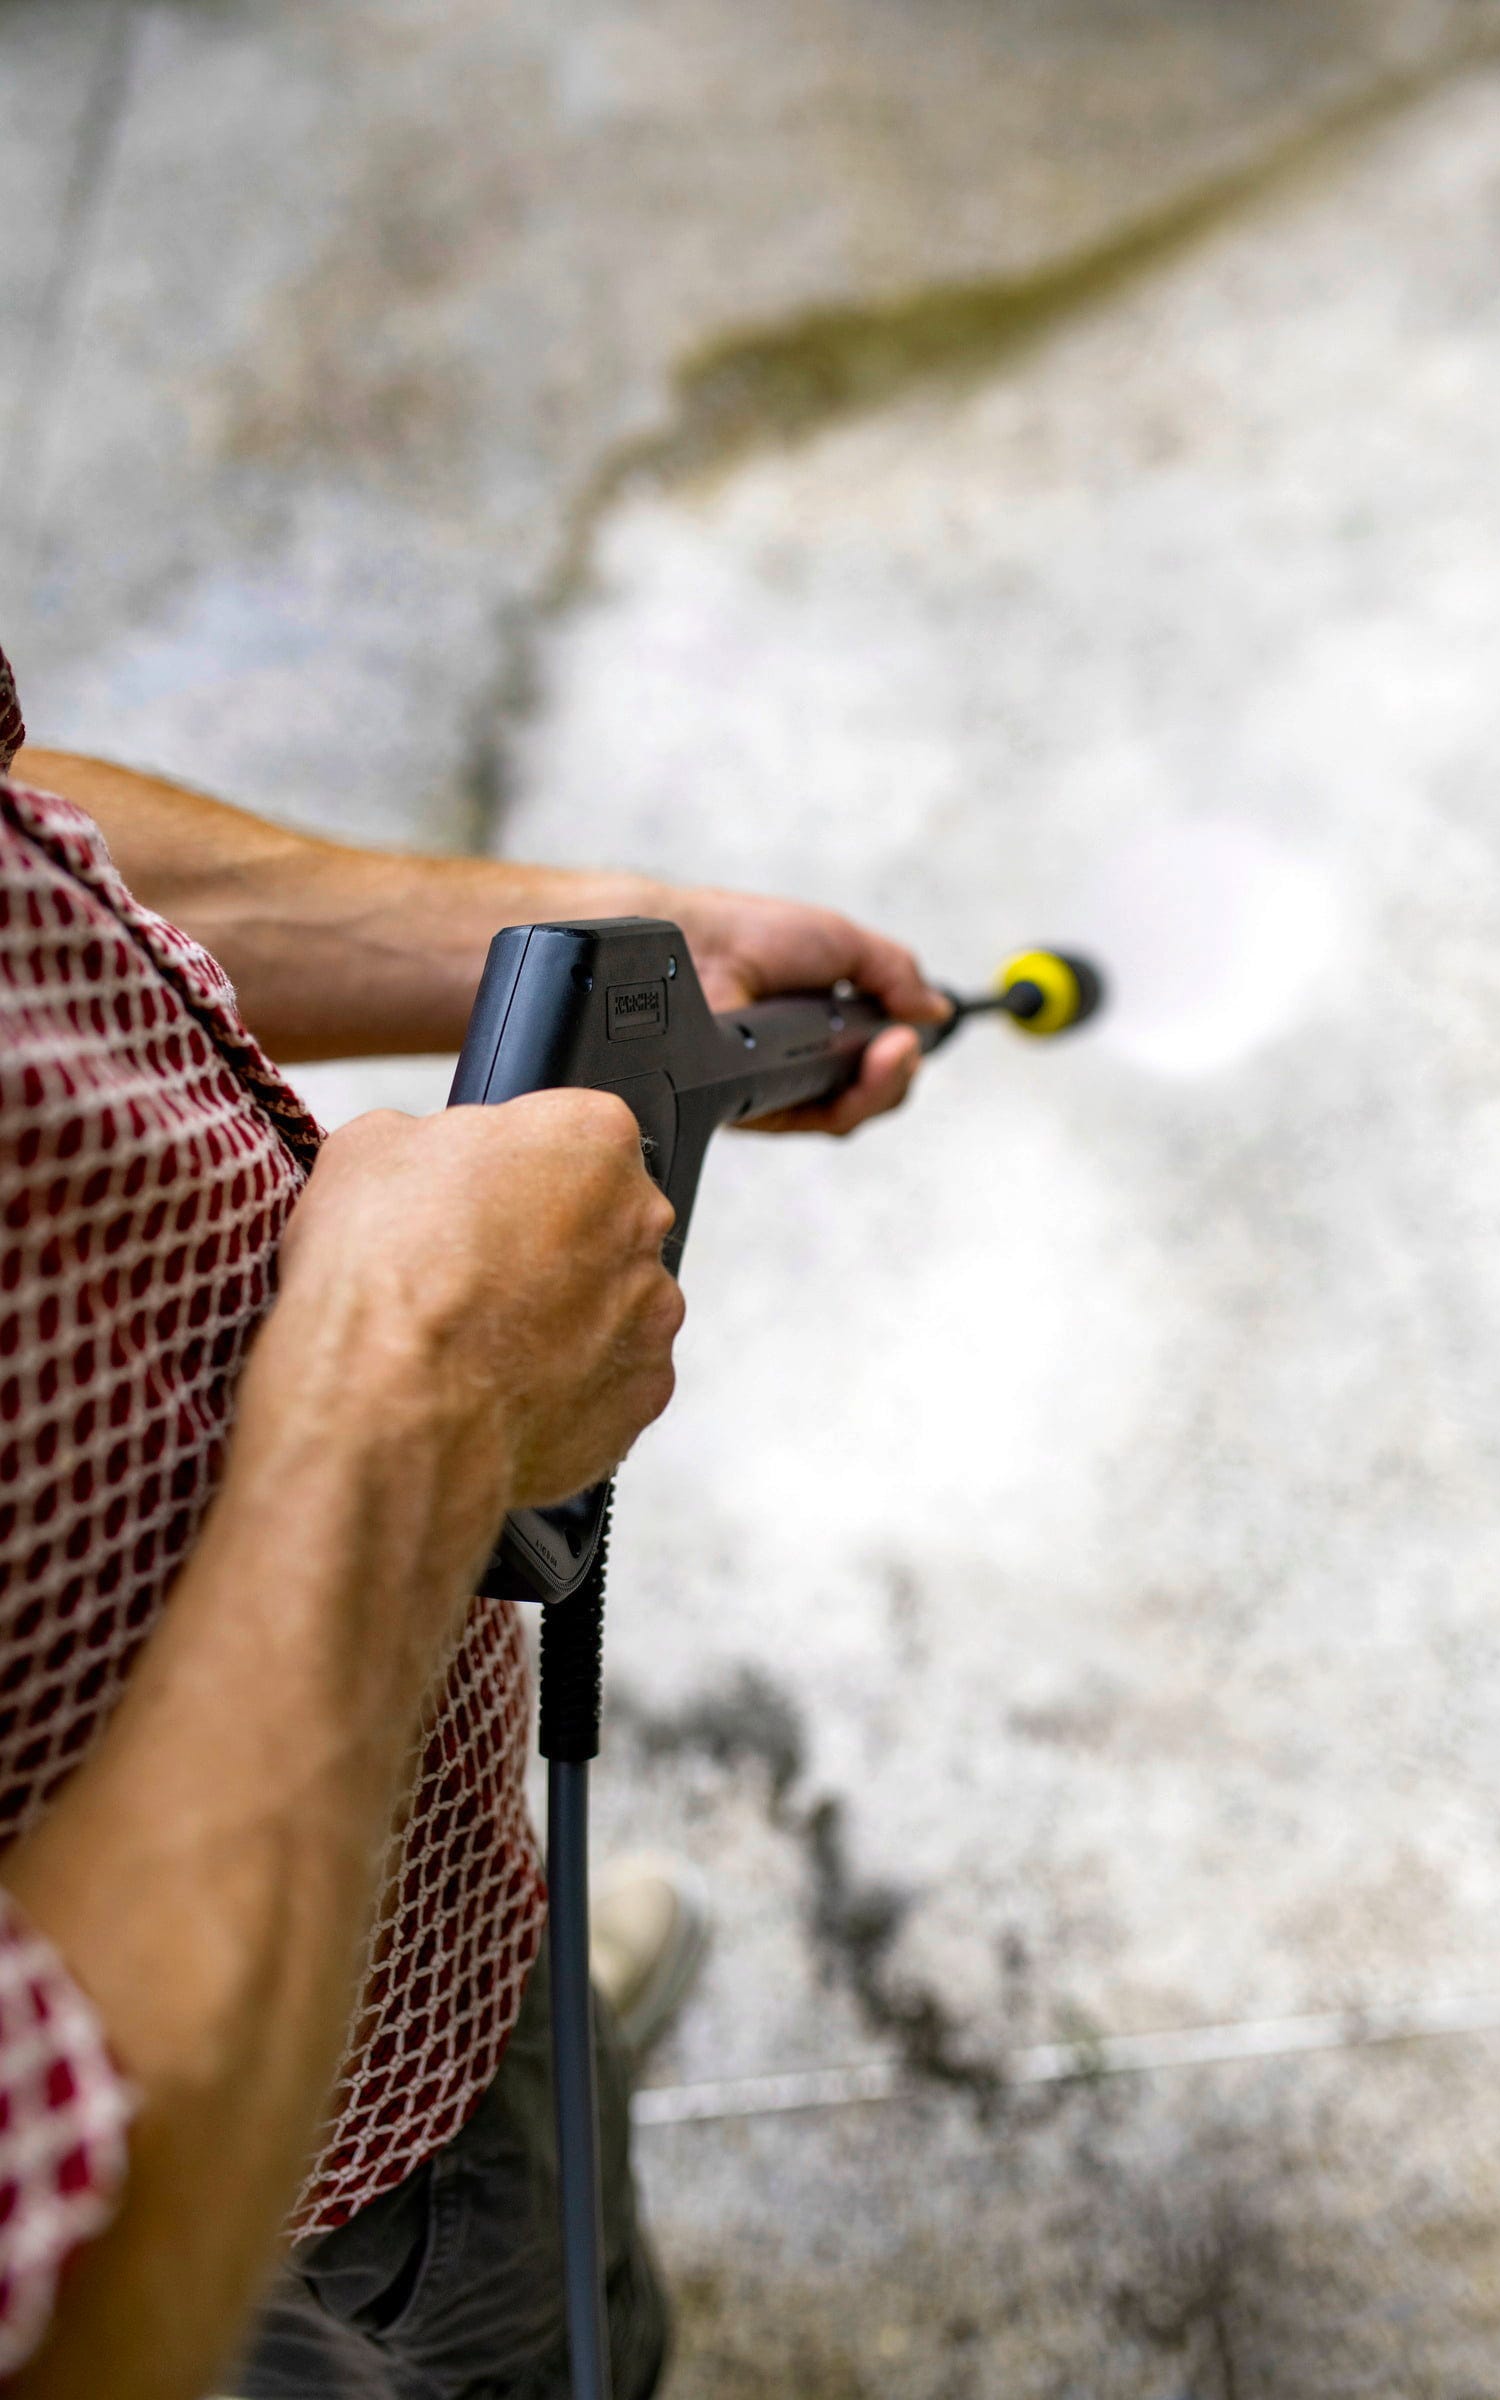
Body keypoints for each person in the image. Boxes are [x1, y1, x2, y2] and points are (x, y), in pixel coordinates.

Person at [0, 642, 948, 2400]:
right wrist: (417, 1388)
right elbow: (56, 2257)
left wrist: (600, 952)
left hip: (409, 1914)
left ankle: (503, 2024)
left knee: (508, 2070)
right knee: (511, 2333)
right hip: (273, 2137)